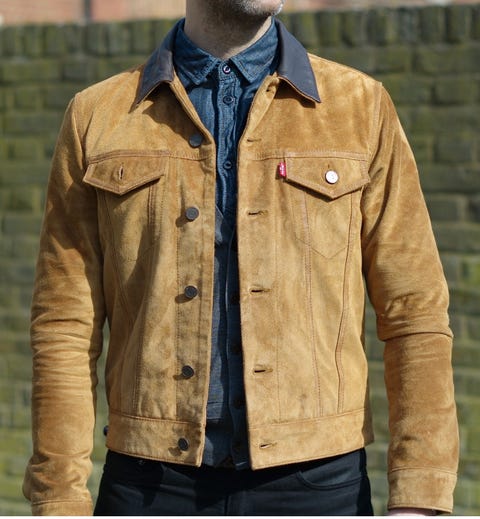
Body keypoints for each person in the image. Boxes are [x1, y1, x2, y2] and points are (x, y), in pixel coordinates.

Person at [23, 0, 459, 515]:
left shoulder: (360, 107)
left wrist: (420, 495)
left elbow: (415, 311)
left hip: (318, 486)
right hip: (150, 485)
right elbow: (65, 326)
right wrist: (57, 497)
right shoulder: (98, 115)